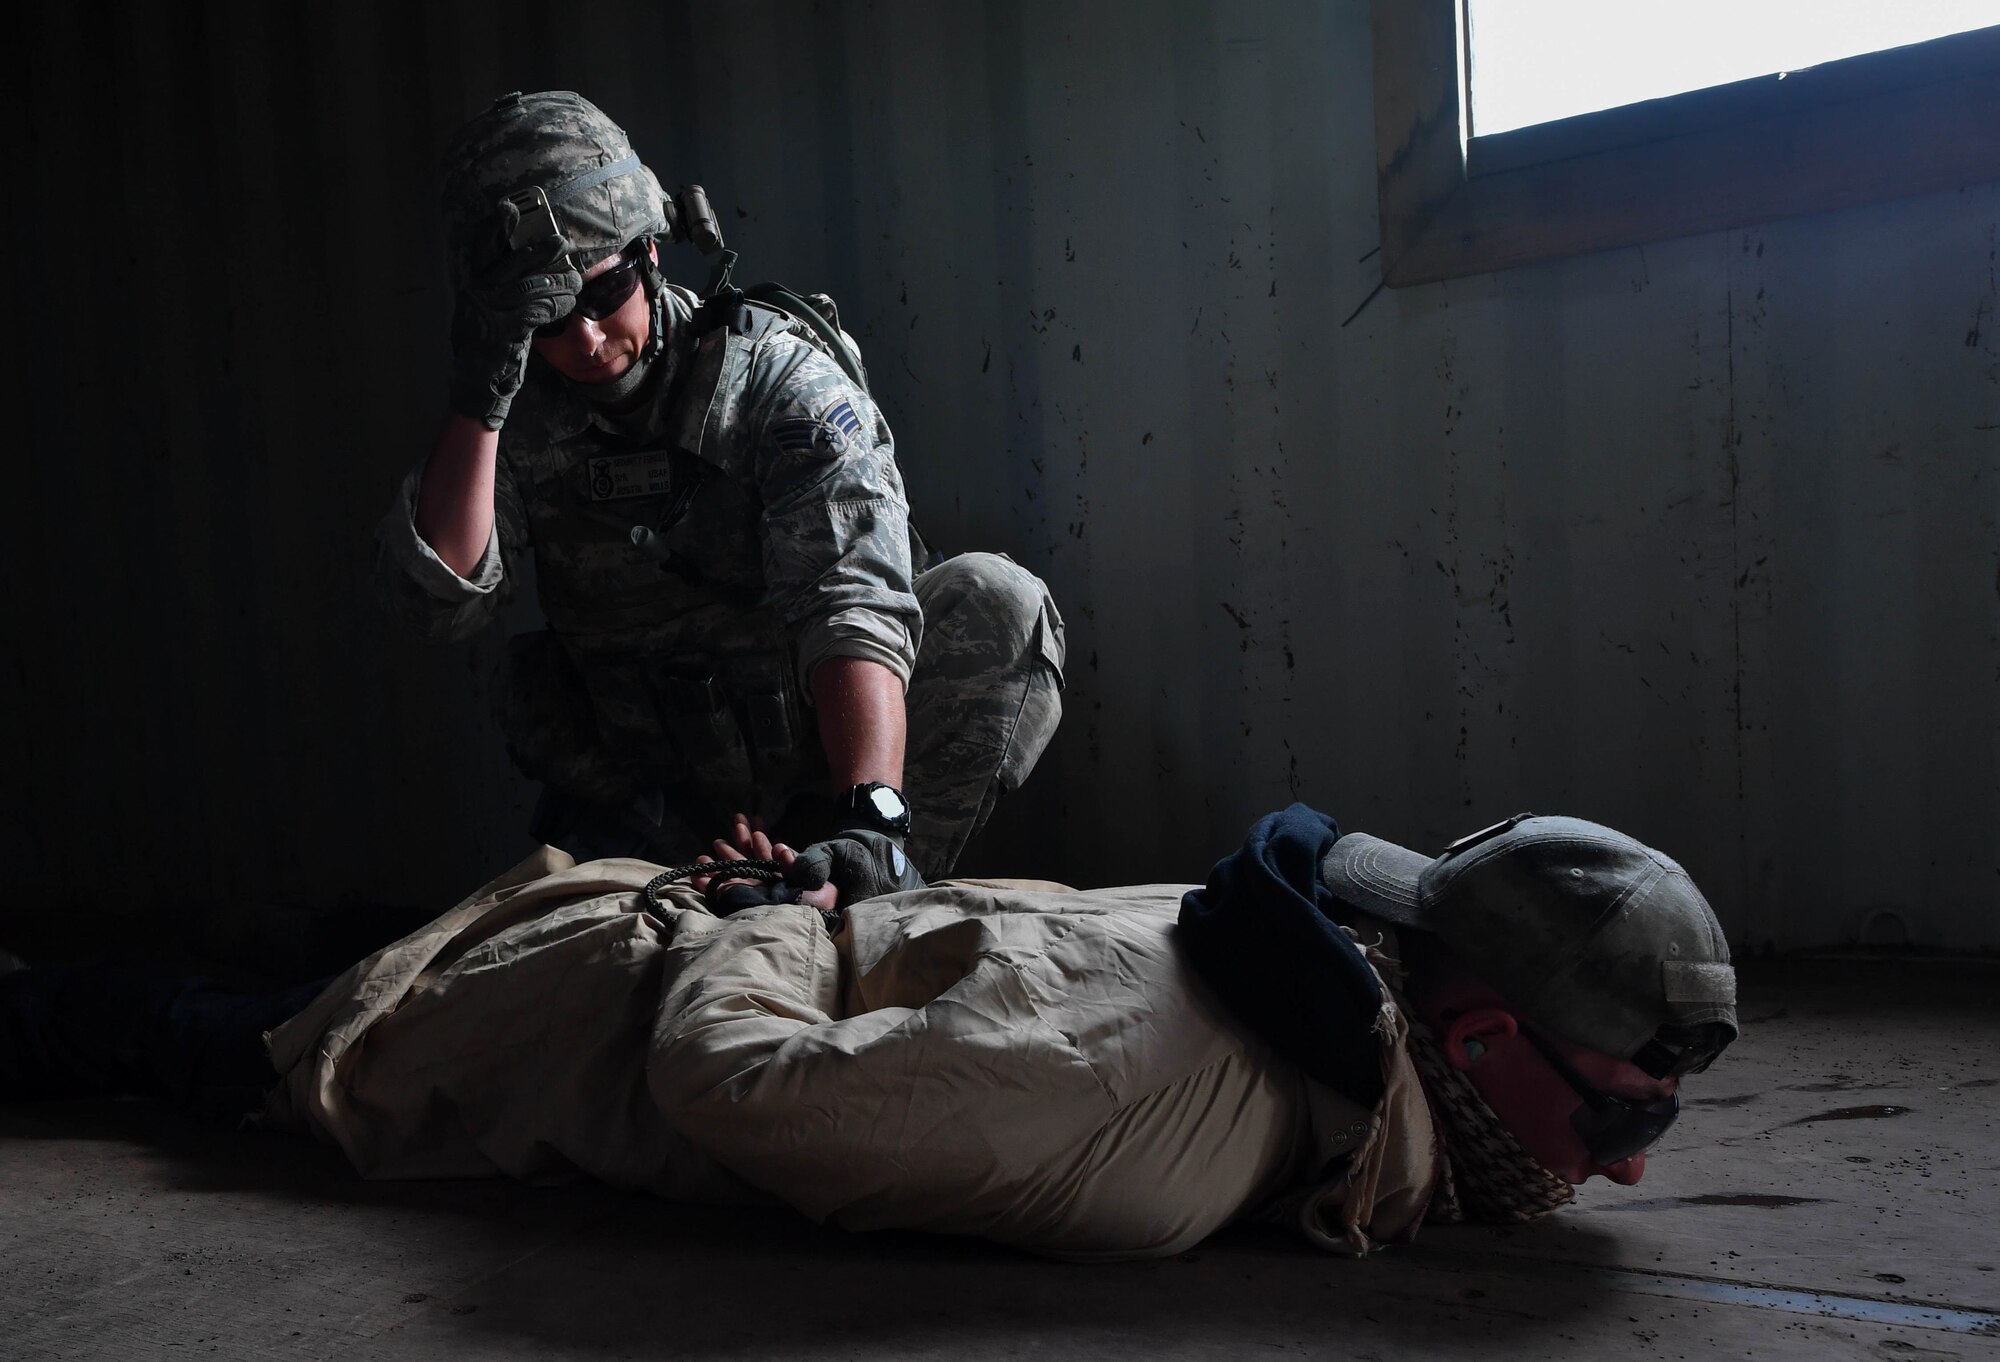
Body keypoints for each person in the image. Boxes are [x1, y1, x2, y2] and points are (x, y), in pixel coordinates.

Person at [0, 805, 1735, 1260]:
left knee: (171, 1031)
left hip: (534, 1024)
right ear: (1476, 1031)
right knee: (235, 959)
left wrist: (768, 930)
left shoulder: (1106, 1126)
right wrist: (830, 902)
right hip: (627, 934)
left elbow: (726, 1076)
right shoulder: (1306, 999)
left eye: (1624, 1117)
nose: (1630, 1161)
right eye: (1620, 1116)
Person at [377, 89, 1065, 895]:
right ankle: (725, 885)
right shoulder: (512, 423)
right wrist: (481, 393)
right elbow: (437, 604)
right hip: (661, 790)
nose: (587, 340)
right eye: (550, 319)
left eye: (603, 295)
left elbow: (852, 601)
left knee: (998, 606)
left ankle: (868, 874)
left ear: (651, 256)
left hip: (823, 761)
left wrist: (868, 818)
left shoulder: (774, 379)